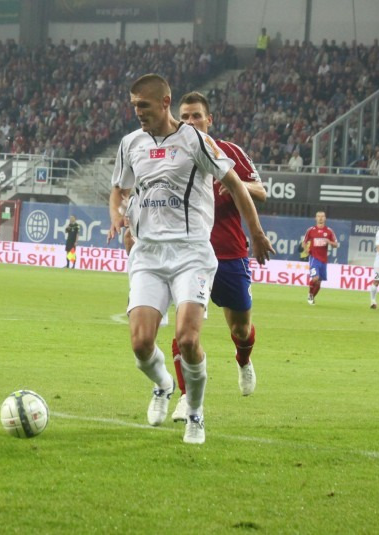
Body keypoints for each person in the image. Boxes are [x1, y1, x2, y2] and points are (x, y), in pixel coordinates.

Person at [107, 74, 273, 445]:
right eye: (134, 106)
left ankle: (195, 413)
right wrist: (117, 216)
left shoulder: (196, 141)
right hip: (148, 254)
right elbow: (119, 189)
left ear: (163, 102)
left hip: (192, 253)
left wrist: (257, 233)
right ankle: (163, 385)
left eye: (143, 105)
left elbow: (237, 185)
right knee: (140, 343)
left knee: (188, 337)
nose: (137, 112)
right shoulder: (131, 143)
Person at [165, 91, 267, 424]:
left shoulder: (229, 152)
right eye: (184, 117)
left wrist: (237, 185)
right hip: (190, 256)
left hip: (229, 255)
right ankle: (186, 398)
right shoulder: (171, 156)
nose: (190, 122)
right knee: (185, 333)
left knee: (241, 329)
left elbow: (261, 191)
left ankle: (243, 359)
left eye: (196, 116)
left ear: (209, 120)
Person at [302, 211, 339, 305]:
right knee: (315, 278)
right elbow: (304, 242)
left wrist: (329, 242)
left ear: (325, 218)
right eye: (318, 216)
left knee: (318, 283)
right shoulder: (311, 230)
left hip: (323, 260)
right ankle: (310, 295)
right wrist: (307, 251)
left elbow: (336, 244)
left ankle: (312, 296)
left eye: (322, 216)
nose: (320, 218)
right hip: (314, 258)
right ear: (316, 218)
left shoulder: (329, 231)